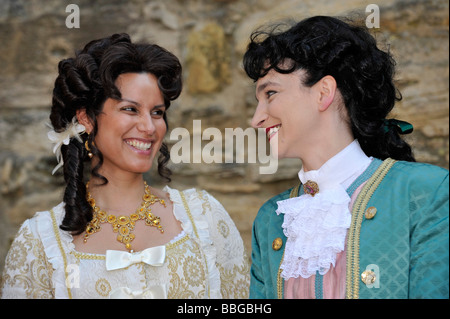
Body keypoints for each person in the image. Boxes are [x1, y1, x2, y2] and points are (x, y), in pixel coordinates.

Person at [0, 33, 249, 299]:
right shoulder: (39, 242)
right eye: (130, 109)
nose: (149, 127)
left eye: (157, 112)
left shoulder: (205, 217)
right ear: (87, 118)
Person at [243, 16, 448, 299]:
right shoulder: (270, 219)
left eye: (270, 93)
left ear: (324, 92)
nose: (257, 118)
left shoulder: (426, 194)